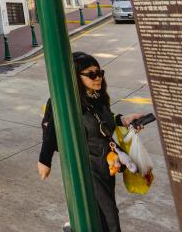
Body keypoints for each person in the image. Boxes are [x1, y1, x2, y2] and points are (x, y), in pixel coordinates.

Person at [38, 51, 144, 232]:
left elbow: (101, 121)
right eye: (91, 74)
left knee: (104, 212)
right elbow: (51, 131)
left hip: (107, 164)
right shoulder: (66, 100)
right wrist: (44, 160)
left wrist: (123, 120)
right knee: (108, 215)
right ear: (75, 77)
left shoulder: (98, 96)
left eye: (99, 72)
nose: (98, 78)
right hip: (86, 164)